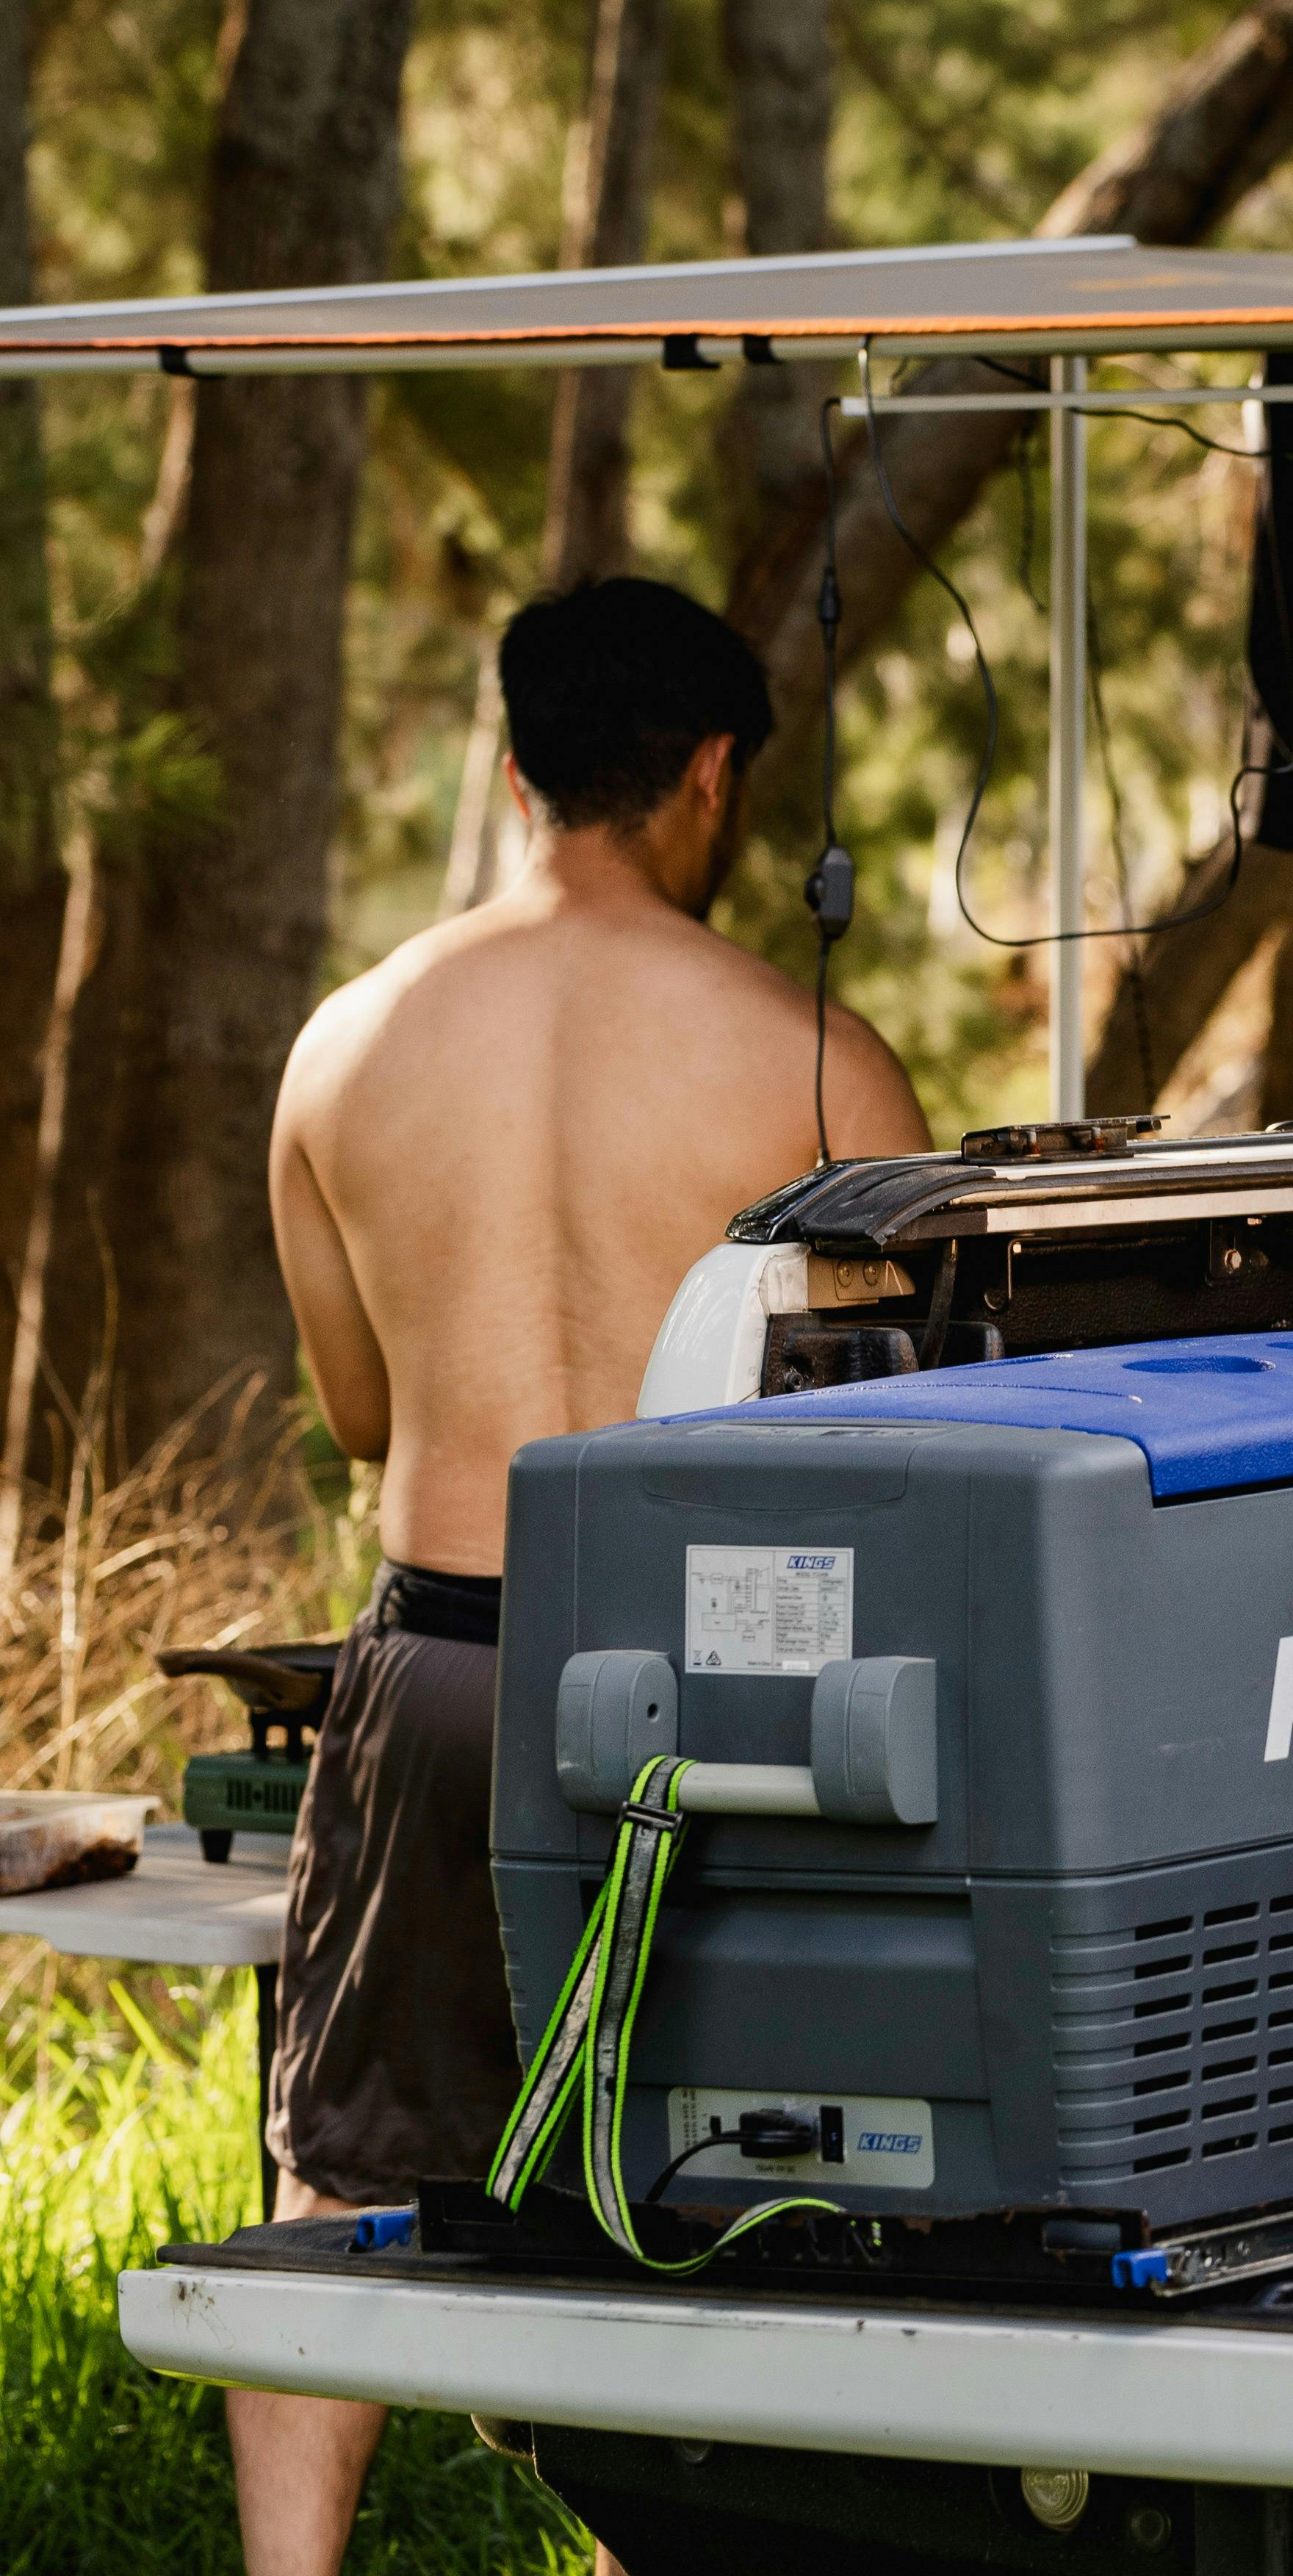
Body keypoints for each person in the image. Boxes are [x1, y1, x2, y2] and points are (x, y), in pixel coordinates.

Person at [244, 577, 927, 2576]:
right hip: (715, 1683)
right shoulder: (812, 1057)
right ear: (712, 775)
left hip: (446, 1653)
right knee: (737, 2167)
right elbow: (892, 1446)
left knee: (342, 2172)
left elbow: (362, 1416)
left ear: (519, 758)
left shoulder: (345, 1044)